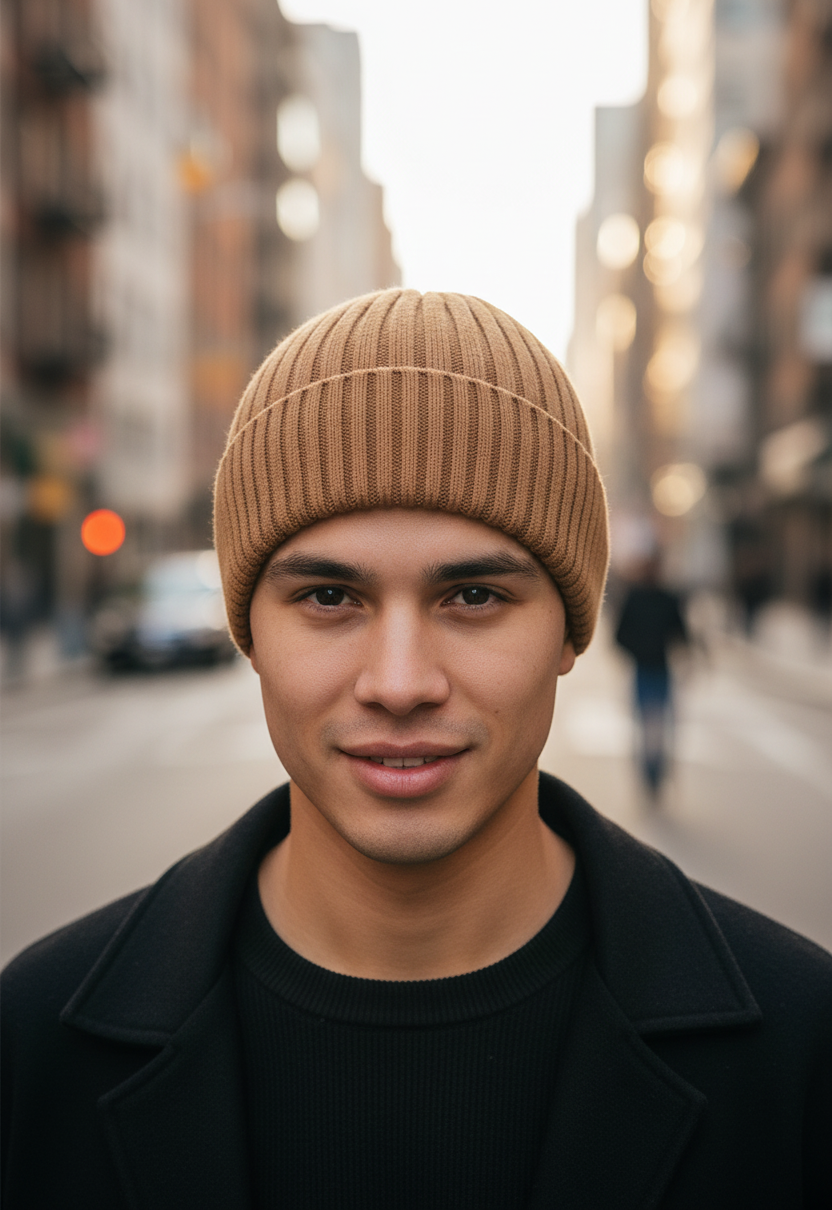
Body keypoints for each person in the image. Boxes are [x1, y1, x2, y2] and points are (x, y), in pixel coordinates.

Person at [2, 290, 831, 1209]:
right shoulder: (35, 1046)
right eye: (328, 597)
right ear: (249, 633)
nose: (399, 684)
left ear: (570, 631)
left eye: (474, 596)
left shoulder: (800, 1051)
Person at [614, 553, 688, 797]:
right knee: (646, 725)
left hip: (661, 670)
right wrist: (638, 651)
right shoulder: (634, 598)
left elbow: (681, 632)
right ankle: (648, 773)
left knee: (660, 725)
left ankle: (657, 772)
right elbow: (619, 636)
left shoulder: (668, 599)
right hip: (643, 670)